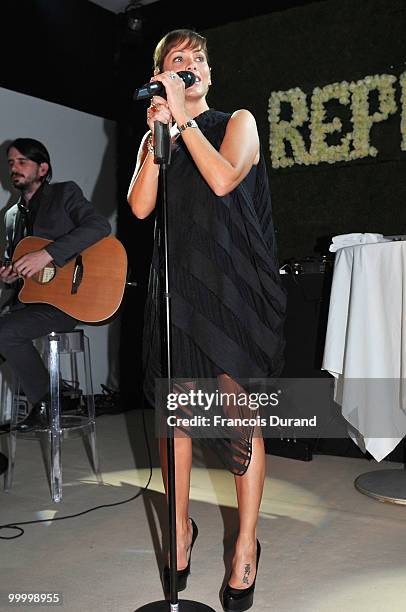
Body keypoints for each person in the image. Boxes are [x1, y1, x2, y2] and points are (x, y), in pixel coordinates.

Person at [128, 29, 286, 611]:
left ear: (207, 77)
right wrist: (155, 135)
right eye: (175, 59)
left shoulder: (236, 122)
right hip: (177, 292)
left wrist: (186, 122)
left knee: (240, 414)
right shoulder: (161, 139)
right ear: (161, 75)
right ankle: (181, 531)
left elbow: (223, 179)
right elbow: (141, 206)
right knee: (179, 418)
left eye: (195, 59)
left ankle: (245, 547)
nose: (187, 64)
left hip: (233, 286)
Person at [0, 138, 111, 432]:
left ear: (42, 168)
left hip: (67, 302)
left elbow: (99, 226)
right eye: (11, 163)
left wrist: (47, 254)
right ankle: (51, 396)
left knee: (4, 332)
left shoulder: (64, 193)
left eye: (22, 161)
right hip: (28, 304)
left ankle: (49, 400)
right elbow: (20, 265)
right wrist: (11, 274)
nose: (15, 168)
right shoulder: (11, 216)